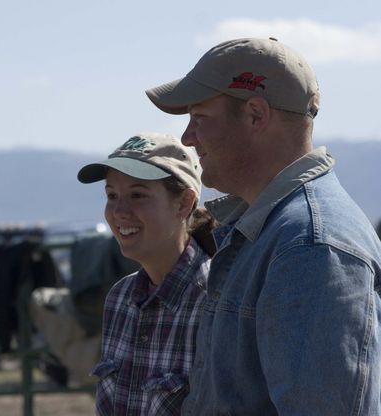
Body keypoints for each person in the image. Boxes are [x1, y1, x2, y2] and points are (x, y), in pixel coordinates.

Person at [145, 37, 381, 415]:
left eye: (199, 118)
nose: (188, 137)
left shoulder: (309, 244)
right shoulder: (278, 229)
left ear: (256, 115)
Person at [78, 132, 216, 415]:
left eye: (137, 195)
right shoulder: (120, 298)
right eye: (111, 195)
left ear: (184, 203)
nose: (119, 211)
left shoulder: (217, 301)